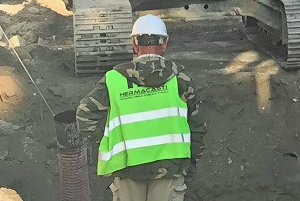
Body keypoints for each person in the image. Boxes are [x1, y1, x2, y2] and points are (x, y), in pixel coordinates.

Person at [76, 14, 206, 201]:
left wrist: (108, 142)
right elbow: (197, 126)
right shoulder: (181, 79)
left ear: (135, 44)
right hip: (170, 168)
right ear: (164, 44)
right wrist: (192, 161)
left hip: (128, 168)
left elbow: (85, 116)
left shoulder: (114, 79)